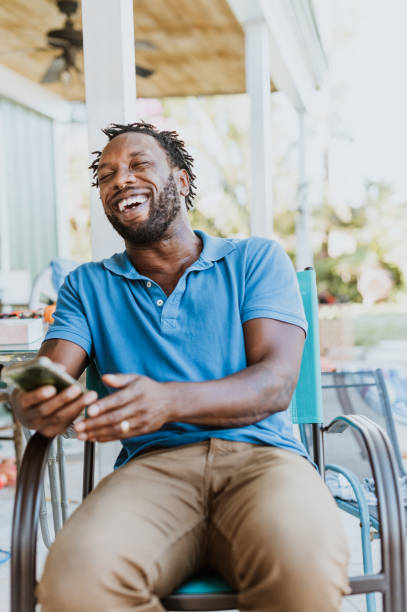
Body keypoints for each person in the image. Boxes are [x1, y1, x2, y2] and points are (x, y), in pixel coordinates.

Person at [12, 123, 349, 611]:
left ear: (183, 180)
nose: (119, 180)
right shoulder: (87, 287)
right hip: (152, 472)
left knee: (305, 571)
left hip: (263, 462)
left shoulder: (255, 259)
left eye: (138, 165)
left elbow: (275, 383)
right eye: (106, 175)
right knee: (75, 584)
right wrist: (35, 403)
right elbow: (48, 378)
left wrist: (168, 400)